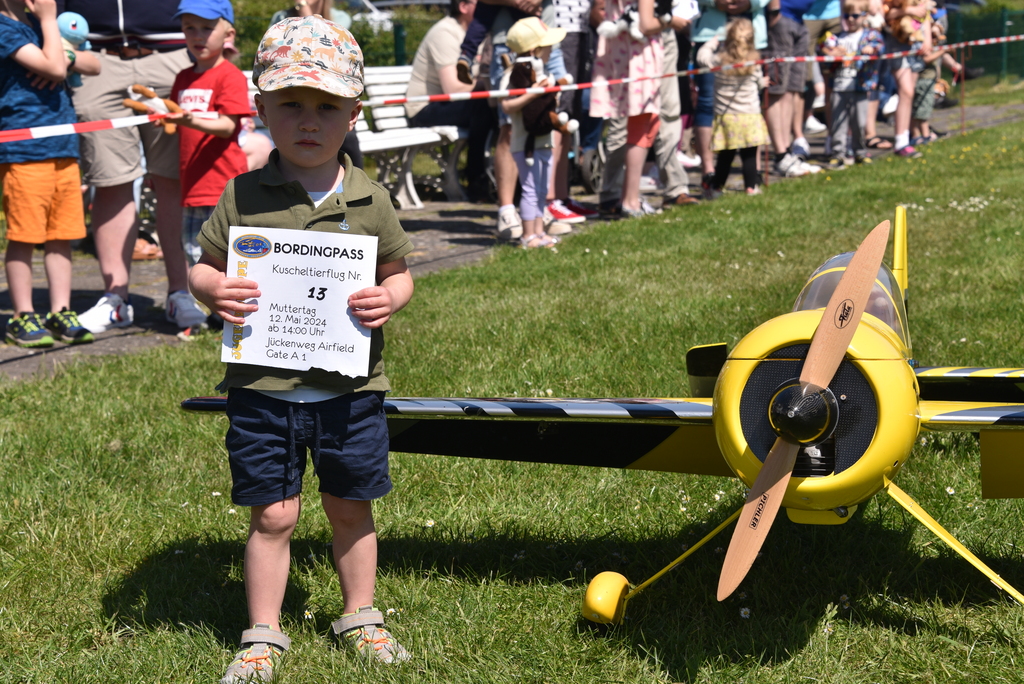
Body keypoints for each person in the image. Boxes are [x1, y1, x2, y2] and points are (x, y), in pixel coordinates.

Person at [188, 16, 414, 681]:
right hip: (263, 391)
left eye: (327, 107)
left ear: (353, 115)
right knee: (273, 515)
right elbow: (202, 267)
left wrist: (389, 299)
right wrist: (215, 290)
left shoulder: (372, 199)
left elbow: (400, 274)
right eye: (291, 104)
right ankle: (262, 632)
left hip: (351, 391)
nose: (309, 121)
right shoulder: (242, 194)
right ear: (261, 109)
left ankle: (361, 617)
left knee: (350, 507)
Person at [60, 0, 208, 334]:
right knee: (109, 180)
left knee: (175, 180)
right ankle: (115, 299)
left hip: (173, 53)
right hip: (93, 58)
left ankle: (182, 293)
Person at [1, 0, 99, 347]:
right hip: (24, 153)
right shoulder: (7, 28)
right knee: (24, 235)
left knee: (62, 234)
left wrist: (61, 49)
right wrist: (48, 22)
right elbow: (55, 69)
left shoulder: (40, 25)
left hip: (63, 147)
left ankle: (60, 310)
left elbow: (93, 63)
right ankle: (22, 315)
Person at [166, 0, 250, 271]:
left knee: (228, 258)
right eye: (189, 28)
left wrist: (189, 119)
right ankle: (210, 299)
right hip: (192, 186)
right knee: (194, 253)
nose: (197, 35)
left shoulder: (230, 76)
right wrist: (164, 120)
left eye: (207, 28)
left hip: (222, 185)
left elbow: (228, 126)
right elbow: (176, 121)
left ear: (228, 34)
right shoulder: (182, 77)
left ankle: (229, 299)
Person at [598, 5, 701, 213]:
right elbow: (645, 23)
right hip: (630, 41)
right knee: (625, 121)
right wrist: (671, 20)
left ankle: (674, 188)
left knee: (667, 114)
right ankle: (614, 195)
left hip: (661, 36)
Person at [405, 0, 492, 201]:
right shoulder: (444, 33)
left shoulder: (475, 34)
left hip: (448, 104)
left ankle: (490, 177)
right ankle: (477, 180)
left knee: (492, 106)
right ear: (463, 6)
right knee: (483, 106)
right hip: (423, 109)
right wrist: (489, 84)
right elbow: (452, 89)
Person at [591, 0, 664, 218]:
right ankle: (631, 201)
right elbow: (646, 24)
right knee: (642, 125)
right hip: (638, 54)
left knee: (636, 124)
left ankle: (626, 197)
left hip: (619, 51)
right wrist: (674, 21)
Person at [691, 0, 769, 198]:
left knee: (725, 156)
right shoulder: (753, 63)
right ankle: (751, 187)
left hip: (727, 117)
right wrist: (764, 82)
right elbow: (758, 83)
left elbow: (701, 58)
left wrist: (711, 43)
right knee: (749, 154)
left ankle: (717, 187)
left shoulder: (718, 62)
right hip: (749, 116)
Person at [501, 16, 565, 247]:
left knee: (541, 189)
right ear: (534, 50)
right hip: (523, 142)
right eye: (547, 46)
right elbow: (507, 105)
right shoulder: (514, 75)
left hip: (544, 139)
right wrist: (532, 94)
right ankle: (528, 234)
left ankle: (539, 232)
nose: (551, 50)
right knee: (529, 188)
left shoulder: (541, 73)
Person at [819, 0, 883, 168]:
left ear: (864, 16)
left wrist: (871, 49)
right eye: (847, 16)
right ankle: (838, 153)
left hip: (860, 86)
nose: (851, 19)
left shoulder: (870, 36)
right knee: (837, 122)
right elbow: (823, 55)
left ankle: (860, 151)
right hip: (839, 86)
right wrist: (831, 54)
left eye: (855, 15)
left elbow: (879, 47)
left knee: (859, 122)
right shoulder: (837, 38)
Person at [764, 0, 819, 177]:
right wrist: (774, 12)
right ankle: (780, 155)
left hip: (799, 20)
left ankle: (787, 152)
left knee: (791, 90)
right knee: (777, 91)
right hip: (781, 17)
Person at [884, 0, 931, 157]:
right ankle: (900, 141)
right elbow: (885, 14)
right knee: (906, 91)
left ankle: (905, 139)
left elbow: (925, 13)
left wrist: (927, 39)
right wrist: (908, 10)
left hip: (916, 44)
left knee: (909, 95)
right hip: (897, 43)